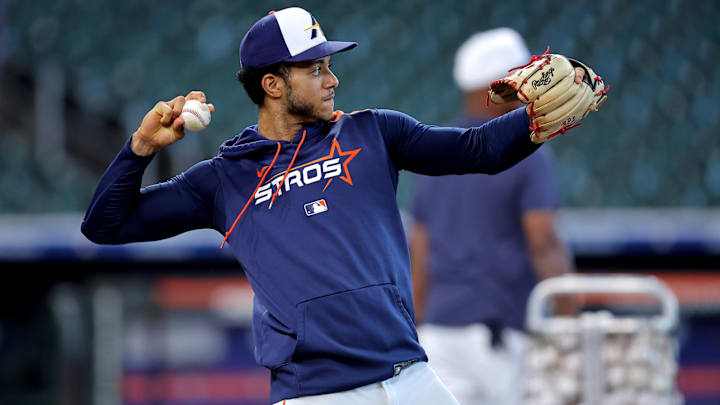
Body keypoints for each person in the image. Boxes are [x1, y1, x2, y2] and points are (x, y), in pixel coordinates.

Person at [81, 9, 586, 405]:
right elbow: (105, 224)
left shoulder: (374, 131)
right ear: (273, 84)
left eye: (330, 65)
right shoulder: (225, 180)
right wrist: (140, 150)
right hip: (316, 393)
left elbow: (479, 151)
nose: (332, 79)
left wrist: (536, 118)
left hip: (410, 377)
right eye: (315, 67)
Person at [409, 28, 575, 405]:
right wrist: (573, 326)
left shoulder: (433, 148)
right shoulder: (525, 147)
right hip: (498, 336)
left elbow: (420, 250)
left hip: (437, 336)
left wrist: (415, 331)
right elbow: (544, 241)